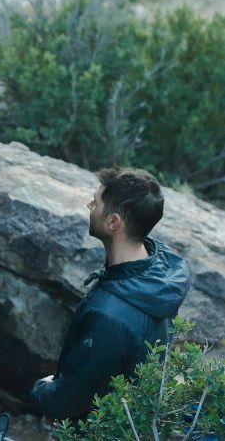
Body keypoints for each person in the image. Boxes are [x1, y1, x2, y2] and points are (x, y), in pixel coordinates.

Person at [30, 167, 191, 421]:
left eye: (95, 202)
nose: (89, 205)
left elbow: (70, 401)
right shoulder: (161, 264)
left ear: (113, 222)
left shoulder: (109, 316)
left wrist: (42, 388)